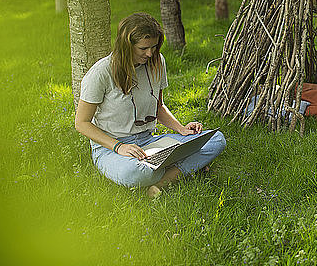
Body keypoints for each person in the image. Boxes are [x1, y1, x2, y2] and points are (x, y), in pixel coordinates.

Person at [74, 13, 226, 198]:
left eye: (154, 47)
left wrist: (181, 129)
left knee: (216, 139)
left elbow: (158, 107)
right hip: (111, 149)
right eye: (143, 48)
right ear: (126, 46)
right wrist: (119, 147)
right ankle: (185, 167)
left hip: (150, 142)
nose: (150, 53)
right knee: (138, 173)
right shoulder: (101, 73)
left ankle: (163, 181)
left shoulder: (157, 62)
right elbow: (82, 123)